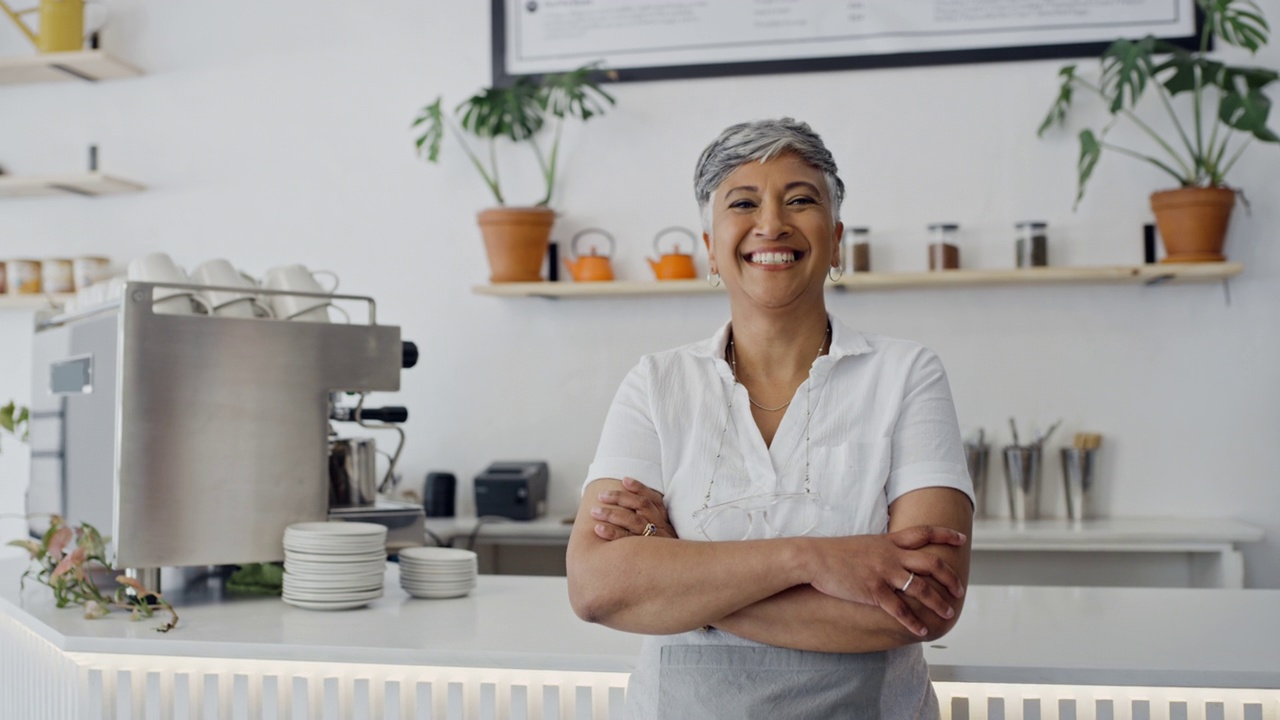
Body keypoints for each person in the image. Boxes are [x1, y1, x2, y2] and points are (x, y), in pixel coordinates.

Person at [565, 118, 974, 719]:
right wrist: (810, 559)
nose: (772, 223)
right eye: (744, 202)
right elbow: (596, 587)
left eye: (800, 200)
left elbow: (929, 601)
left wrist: (677, 571)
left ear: (835, 241)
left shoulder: (906, 374)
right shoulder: (656, 385)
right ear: (710, 248)